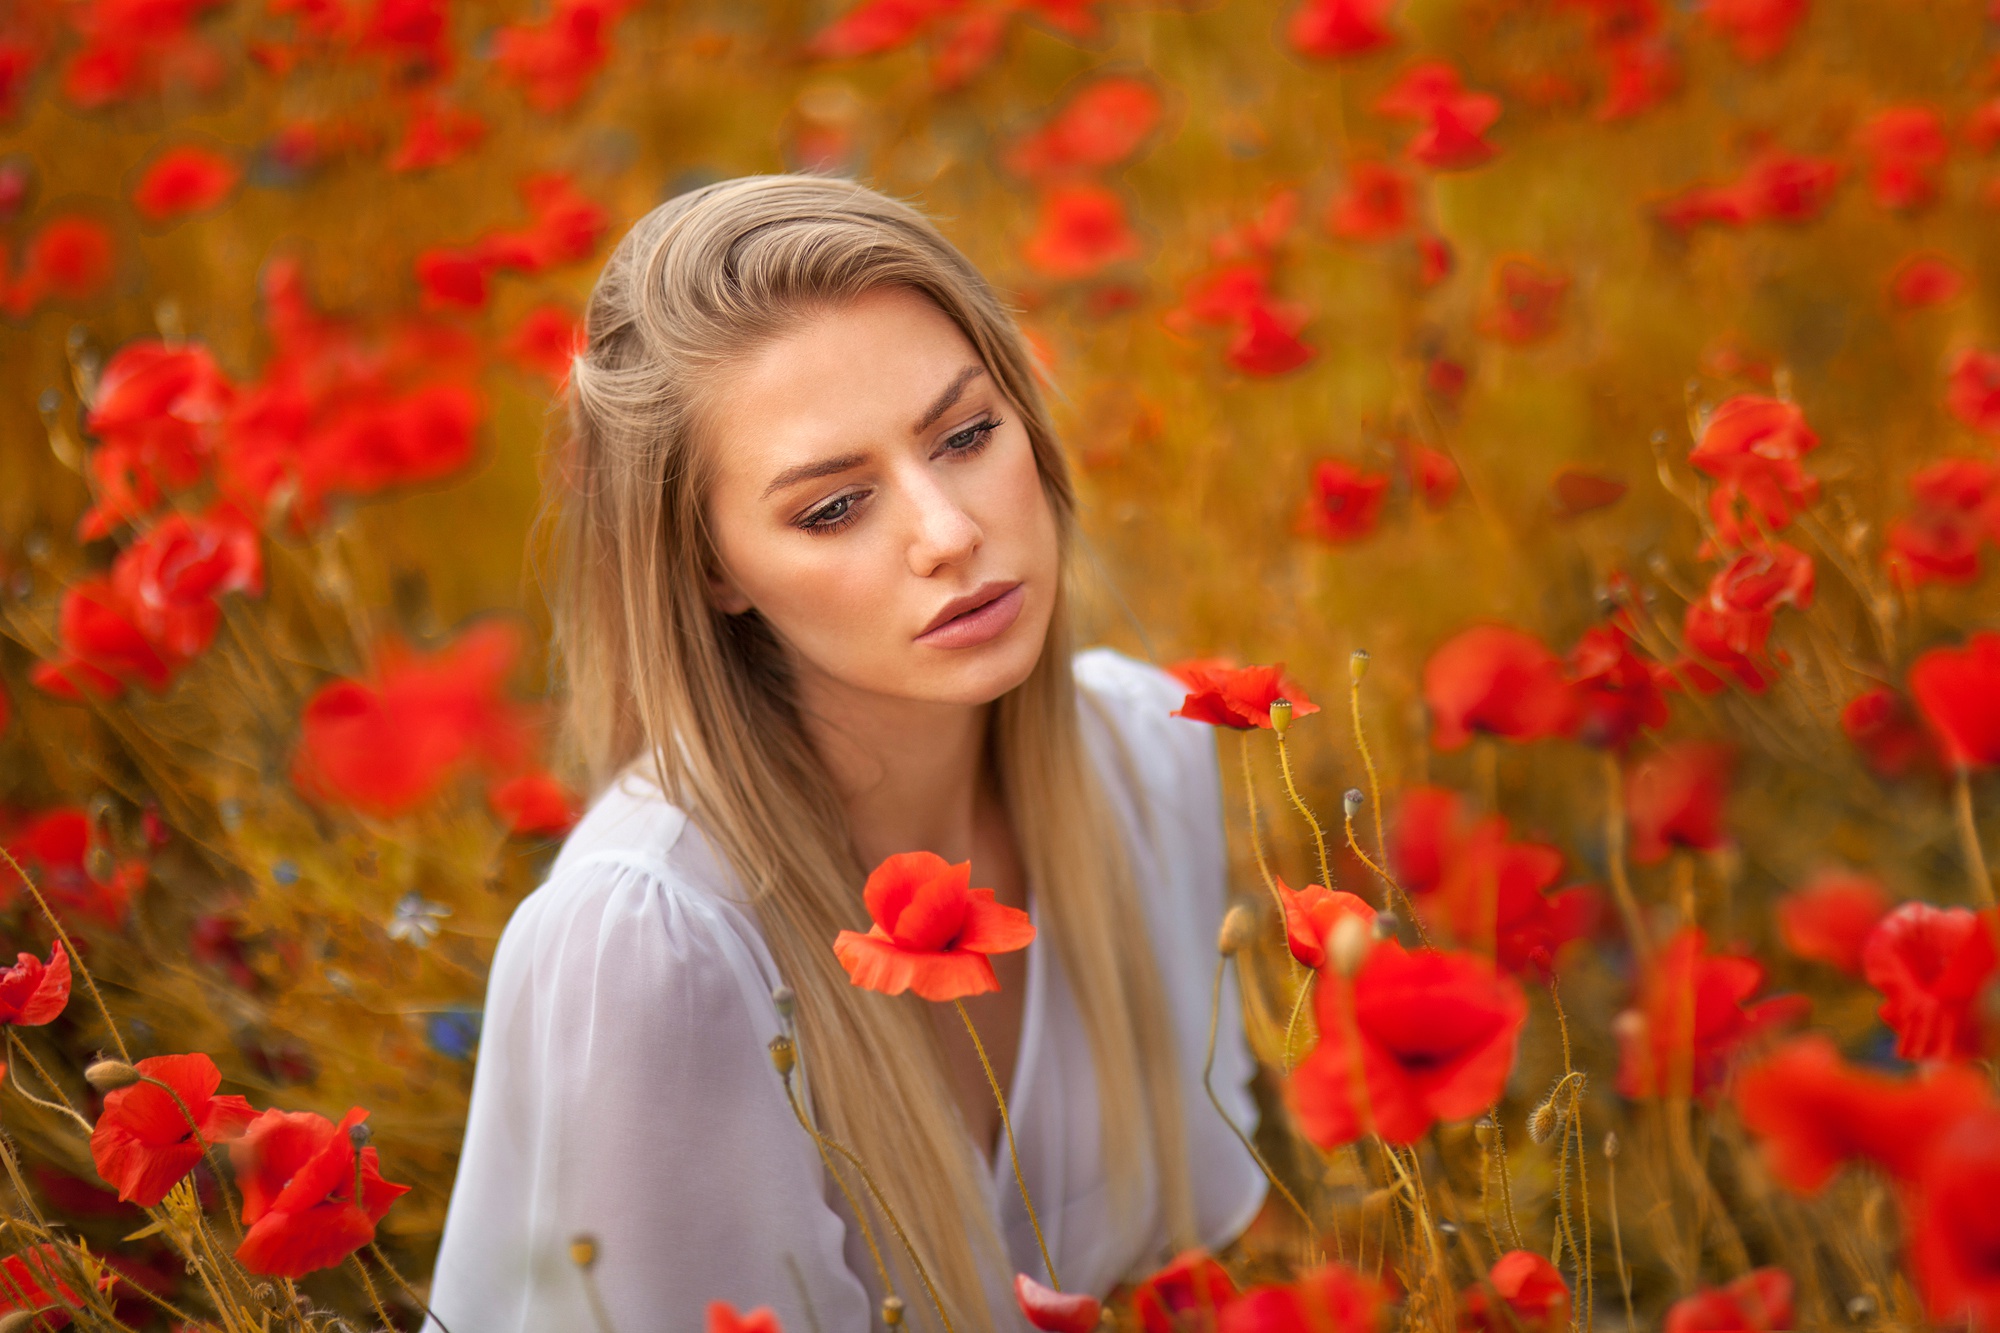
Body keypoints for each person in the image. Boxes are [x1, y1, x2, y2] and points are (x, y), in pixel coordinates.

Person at [422, 173, 1264, 1333]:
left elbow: (1194, 1270)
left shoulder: (1140, 764)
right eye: (831, 507)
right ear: (711, 571)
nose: (948, 531)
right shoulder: (655, 949)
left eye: (967, 435)